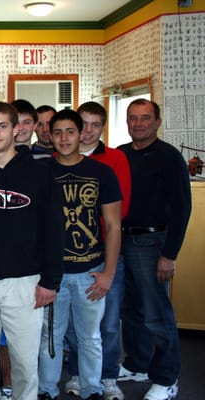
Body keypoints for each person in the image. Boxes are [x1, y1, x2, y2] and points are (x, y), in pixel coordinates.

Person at [0, 102, 64, 400]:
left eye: (2, 126)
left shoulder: (41, 173)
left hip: (27, 282)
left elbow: (54, 229)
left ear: (16, 129)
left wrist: (51, 281)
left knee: (26, 363)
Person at [38, 110, 122, 400]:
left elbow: (113, 226)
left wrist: (109, 273)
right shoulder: (42, 172)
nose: (63, 138)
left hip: (90, 271)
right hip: (52, 273)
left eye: (70, 131)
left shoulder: (101, 173)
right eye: (57, 132)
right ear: (50, 135)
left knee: (90, 337)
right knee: (50, 336)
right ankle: (46, 389)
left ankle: (92, 389)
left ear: (81, 133)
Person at [118, 99, 191, 400]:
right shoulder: (121, 154)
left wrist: (169, 255)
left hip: (152, 244)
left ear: (157, 122)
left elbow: (182, 208)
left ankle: (166, 377)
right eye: (133, 118)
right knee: (130, 311)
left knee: (156, 315)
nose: (138, 124)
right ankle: (138, 364)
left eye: (145, 118)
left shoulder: (169, 157)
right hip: (122, 241)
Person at [64, 101, 131, 400]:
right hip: (70, 257)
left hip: (105, 253)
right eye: (84, 124)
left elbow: (120, 210)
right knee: (76, 326)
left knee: (108, 322)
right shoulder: (58, 158)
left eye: (95, 125)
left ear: (103, 128)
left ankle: (109, 377)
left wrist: (106, 264)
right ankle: (79, 374)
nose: (89, 131)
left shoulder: (115, 159)